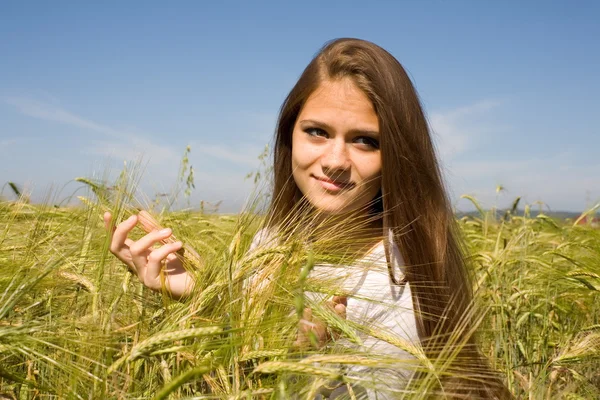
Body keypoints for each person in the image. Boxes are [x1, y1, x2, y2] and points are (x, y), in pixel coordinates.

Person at [105, 38, 511, 399]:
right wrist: (195, 288)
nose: (334, 161)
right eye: (316, 131)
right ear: (289, 135)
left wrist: (303, 362)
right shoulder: (272, 241)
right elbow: (249, 327)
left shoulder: (397, 281)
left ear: (398, 157)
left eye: (366, 141)